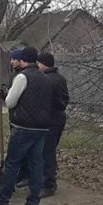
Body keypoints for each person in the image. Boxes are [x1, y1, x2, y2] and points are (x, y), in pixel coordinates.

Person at [0, 47, 50, 205]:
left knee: (12, 162)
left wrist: (6, 95)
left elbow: (10, 102)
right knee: (36, 164)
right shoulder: (45, 77)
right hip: (41, 127)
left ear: (23, 60)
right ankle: (33, 200)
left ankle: (2, 198)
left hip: (23, 126)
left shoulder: (22, 77)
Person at [37, 52, 69, 197]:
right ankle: (47, 179)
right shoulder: (60, 78)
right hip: (59, 117)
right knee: (49, 149)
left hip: (50, 118)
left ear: (44, 63)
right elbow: (65, 98)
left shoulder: (47, 80)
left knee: (47, 151)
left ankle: (48, 183)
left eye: (39, 63)